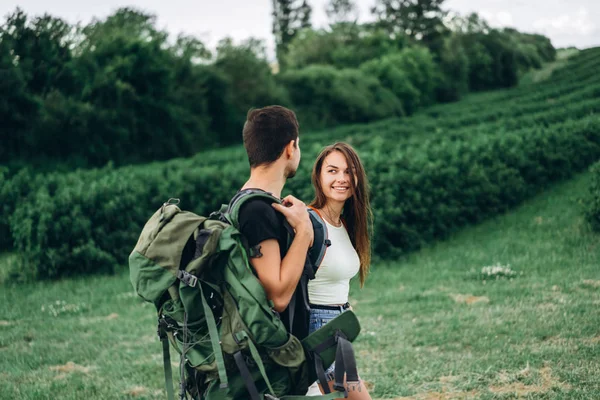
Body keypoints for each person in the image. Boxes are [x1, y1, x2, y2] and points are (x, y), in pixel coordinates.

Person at [236, 105, 314, 337]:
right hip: (272, 360)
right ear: (291, 148)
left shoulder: (251, 203)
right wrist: (304, 232)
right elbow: (277, 296)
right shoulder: (256, 210)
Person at [306, 142, 373, 399]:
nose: (342, 178)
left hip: (338, 330)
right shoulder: (310, 221)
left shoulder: (344, 224)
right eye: (332, 171)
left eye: (349, 171)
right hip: (316, 330)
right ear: (318, 177)